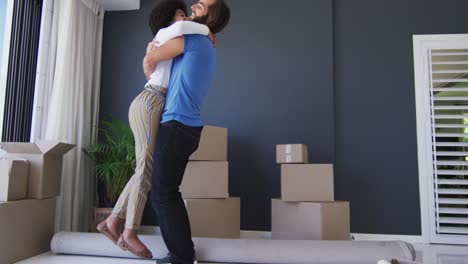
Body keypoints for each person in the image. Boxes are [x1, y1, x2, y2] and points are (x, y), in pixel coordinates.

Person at [96, 0, 213, 259]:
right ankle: (128, 231)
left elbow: (152, 66)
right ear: (169, 18)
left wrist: (149, 66)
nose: (185, 16)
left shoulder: (177, 41)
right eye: (181, 13)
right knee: (146, 169)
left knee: (144, 169)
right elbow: (152, 62)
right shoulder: (166, 33)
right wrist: (207, 30)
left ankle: (114, 221)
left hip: (155, 102)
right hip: (151, 101)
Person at [143, 0, 230, 263]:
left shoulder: (196, 40)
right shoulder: (199, 41)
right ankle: (180, 254)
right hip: (182, 125)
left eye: (201, 6)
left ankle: (182, 256)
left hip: (178, 124)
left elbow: (151, 60)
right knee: (165, 191)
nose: (193, 5)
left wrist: (150, 54)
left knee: (163, 192)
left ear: (211, 17)